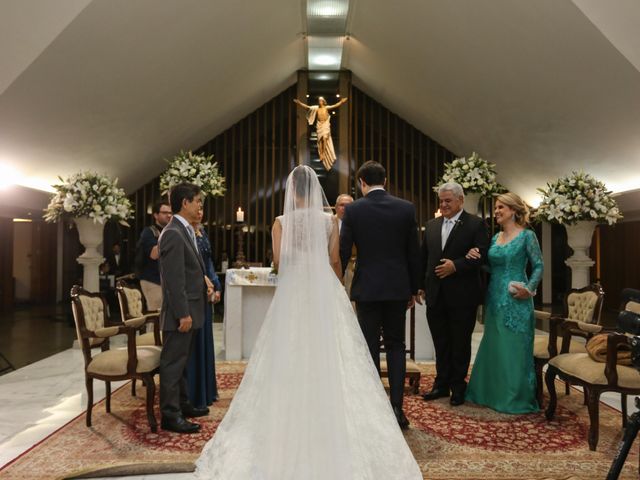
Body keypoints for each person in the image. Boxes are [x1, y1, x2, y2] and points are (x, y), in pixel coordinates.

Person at [195, 166, 421, 479]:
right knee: (334, 353)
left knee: (289, 352)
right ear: (314, 189)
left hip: (294, 291)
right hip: (324, 289)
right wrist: (337, 287)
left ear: (292, 191)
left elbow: (279, 262)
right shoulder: (330, 220)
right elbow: (334, 260)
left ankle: (290, 413)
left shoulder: (280, 223)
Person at [339, 160, 420, 429]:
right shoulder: (406, 209)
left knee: (369, 347)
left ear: (362, 182)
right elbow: (413, 252)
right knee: (397, 346)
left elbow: (343, 250)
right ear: (384, 180)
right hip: (397, 288)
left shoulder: (354, 210)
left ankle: (374, 409)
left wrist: (336, 280)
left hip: (368, 289)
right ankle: (397, 407)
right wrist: (413, 288)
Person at [464, 192, 543, 413]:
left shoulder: (527, 236)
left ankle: (513, 397)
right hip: (494, 296)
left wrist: (529, 289)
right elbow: (490, 266)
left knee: (514, 348)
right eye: (496, 207)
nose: (496, 211)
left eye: (501, 208)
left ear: (514, 211)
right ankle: (489, 394)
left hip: (517, 298)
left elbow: (538, 265)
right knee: (495, 344)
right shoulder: (494, 239)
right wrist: (474, 257)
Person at [418, 182, 490, 406]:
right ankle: (441, 385)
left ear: (461, 200)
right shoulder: (431, 225)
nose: (444, 204)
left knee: (460, 343)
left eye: (448, 200)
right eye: (441, 200)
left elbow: (481, 256)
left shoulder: (476, 224)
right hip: (435, 294)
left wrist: (456, 266)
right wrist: (420, 285)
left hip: (463, 295)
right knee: (441, 342)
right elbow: (424, 258)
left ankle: (458, 387)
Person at [158, 183, 213, 434]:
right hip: (180, 313)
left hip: (191, 308)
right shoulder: (172, 233)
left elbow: (190, 270)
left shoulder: (185, 230)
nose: (200, 205)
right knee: (172, 365)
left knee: (181, 364)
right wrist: (183, 313)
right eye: (198, 201)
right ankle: (170, 416)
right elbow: (174, 279)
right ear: (185, 203)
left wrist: (205, 282)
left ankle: (182, 405)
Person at [186, 206, 222, 409]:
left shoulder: (202, 231)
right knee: (195, 342)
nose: (200, 211)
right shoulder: (185, 233)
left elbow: (208, 262)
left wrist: (216, 285)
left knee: (205, 340)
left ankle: (206, 391)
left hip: (206, 291)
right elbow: (192, 266)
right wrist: (205, 282)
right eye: (196, 206)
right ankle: (194, 395)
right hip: (196, 291)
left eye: (202, 207)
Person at [293, 96, 348, 171]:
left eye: (321, 101)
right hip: (320, 125)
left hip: (325, 125)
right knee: (320, 140)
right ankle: (321, 153)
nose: (320, 102)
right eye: (319, 101)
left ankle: (323, 152)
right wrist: (299, 103)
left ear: (323, 102)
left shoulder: (326, 107)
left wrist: (341, 102)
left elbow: (335, 105)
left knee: (325, 138)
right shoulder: (316, 108)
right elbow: (307, 107)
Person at [137, 200, 172, 311]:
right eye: (165, 212)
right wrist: (168, 235)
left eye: (170, 213)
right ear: (156, 215)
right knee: (156, 316)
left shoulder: (171, 230)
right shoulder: (149, 232)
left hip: (167, 280)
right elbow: (154, 254)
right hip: (152, 280)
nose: (169, 215)